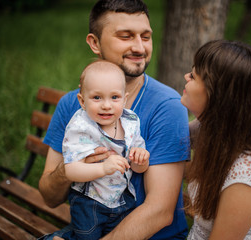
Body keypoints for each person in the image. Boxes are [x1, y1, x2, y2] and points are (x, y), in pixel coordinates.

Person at [38, 0, 190, 239]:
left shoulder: (166, 107)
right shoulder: (71, 105)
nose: (139, 47)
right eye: (126, 36)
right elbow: (49, 197)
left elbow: (160, 212)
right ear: (95, 43)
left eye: (146, 37)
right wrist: (70, 169)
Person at [181, 40, 251, 239]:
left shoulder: (249, 174)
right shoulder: (213, 130)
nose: (186, 77)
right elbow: (171, 137)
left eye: (193, 75)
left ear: (216, 94)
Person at [41, 60, 150, 240]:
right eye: (97, 98)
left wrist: (141, 159)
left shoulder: (130, 122)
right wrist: (103, 168)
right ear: (82, 101)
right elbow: (71, 169)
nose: (106, 105)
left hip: (122, 201)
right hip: (89, 202)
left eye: (114, 97)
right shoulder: (80, 127)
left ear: (124, 99)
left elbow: (137, 167)